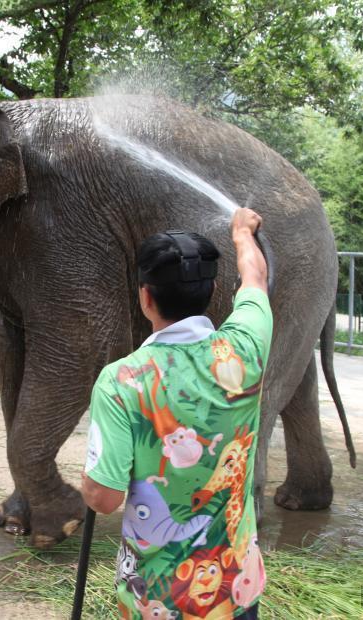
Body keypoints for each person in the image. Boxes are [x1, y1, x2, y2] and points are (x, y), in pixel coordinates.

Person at [81, 207, 271, 620]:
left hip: (157, 602)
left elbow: (104, 498)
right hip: (235, 590)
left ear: (145, 297)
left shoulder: (121, 381)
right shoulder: (246, 347)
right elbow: (255, 278)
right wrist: (242, 234)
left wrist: (91, 478)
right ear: (214, 289)